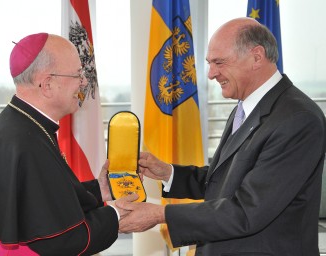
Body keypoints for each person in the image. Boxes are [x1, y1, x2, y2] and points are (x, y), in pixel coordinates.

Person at [117, 17, 326, 255]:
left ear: (257, 57)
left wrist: (159, 214)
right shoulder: (245, 107)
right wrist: (169, 173)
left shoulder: (297, 119)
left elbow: (248, 210)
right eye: (209, 63)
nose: (211, 74)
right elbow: (226, 180)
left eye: (219, 62)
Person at [0, 33, 137, 255]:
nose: (84, 81)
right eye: (78, 74)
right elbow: (63, 240)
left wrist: (98, 191)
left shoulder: (20, 125)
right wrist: (115, 215)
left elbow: (45, 199)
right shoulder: (27, 143)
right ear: (47, 84)